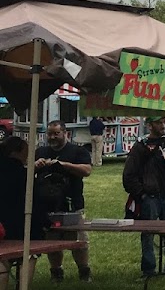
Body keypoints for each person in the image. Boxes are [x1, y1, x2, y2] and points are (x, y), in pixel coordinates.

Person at [122, 115, 165, 277]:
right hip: (149, 196)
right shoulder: (140, 146)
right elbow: (129, 175)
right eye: (158, 122)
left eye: (164, 122)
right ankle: (148, 270)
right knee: (148, 233)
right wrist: (141, 194)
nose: (162, 125)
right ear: (150, 126)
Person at [35, 120, 94, 282]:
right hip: (47, 205)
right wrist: (35, 165)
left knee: (78, 240)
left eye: (56, 133)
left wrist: (63, 164)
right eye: (49, 134)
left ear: (65, 133)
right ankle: (56, 272)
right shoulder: (40, 151)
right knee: (52, 242)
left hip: (72, 204)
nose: (52, 137)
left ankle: (84, 271)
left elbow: (87, 170)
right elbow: (26, 171)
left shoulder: (77, 151)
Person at [0, 136, 47, 289]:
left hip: (1, 225)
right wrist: (46, 222)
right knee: (29, 254)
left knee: (2, 259)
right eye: (26, 151)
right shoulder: (23, 175)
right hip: (21, 224)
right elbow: (35, 202)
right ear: (17, 152)